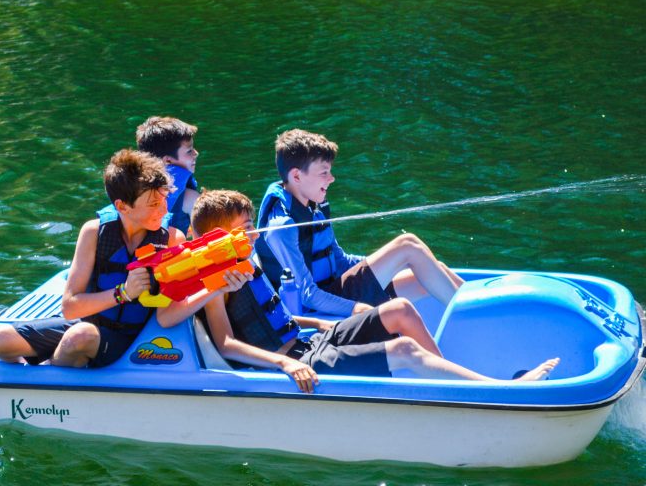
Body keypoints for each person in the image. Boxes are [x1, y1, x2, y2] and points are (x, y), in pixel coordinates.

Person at [156, 189, 559, 393]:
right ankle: (496, 392)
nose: (251, 234)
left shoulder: (247, 264)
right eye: (242, 229)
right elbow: (226, 343)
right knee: (404, 349)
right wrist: (285, 365)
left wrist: (319, 321)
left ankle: (448, 387)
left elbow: (271, 315)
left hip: (307, 339)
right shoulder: (217, 282)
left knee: (399, 309)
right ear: (217, 237)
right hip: (293, 360)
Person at [0, 149, 185, 367]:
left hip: (132, 342)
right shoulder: (94, 233)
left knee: (80, 336)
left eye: (164, 200)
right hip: (87, 326)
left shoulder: (171, 240)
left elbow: (172, 309)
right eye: (154, 204)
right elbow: (70, 308)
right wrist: (124, 293)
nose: (164, 210)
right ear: (122, 206)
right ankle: (45, 376)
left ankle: (48, 381)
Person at [255, 129, 464, 318]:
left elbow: (340, 261)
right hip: (321, 307)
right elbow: (307, 295)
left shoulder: (313, 206)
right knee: (408, 245)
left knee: (432, 271)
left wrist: (391, 265)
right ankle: (470, 314)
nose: (332, 179)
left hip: (335, 288)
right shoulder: (282, 227)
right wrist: (355, 308)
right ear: (296, 176)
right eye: (324, 172)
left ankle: (480, 305)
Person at [136, 116, 200, 237]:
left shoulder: (134, 190)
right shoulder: (190, 198)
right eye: (189, 151)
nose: (196, 153)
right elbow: (206, 235)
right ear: (168, 161)